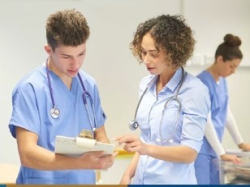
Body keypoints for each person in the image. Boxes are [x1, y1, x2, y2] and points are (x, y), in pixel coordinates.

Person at [8, 9, 116, 184]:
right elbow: (27, 153)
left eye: (81, 54)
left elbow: (101, 134)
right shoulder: (30, 88)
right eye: (66, 56)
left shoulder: (88, 85)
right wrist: (80, 163)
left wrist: (104, 153)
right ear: (48, 50)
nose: (76, 63)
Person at [116, 14, 210, 184]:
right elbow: (145, 140)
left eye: (153, 54)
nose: (146, 60)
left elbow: (190, 153)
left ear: (174, 51)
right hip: (141, 181)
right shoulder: (145, 85)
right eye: (143, 53)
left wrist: (146, 148)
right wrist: (128, 174)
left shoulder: (194, 91)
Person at [195, 33, 250, 184]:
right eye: (231, 66)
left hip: (214, 149)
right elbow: (205, 121)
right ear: (220, 59)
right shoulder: (201, 83)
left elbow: (226, 113)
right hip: (201, 151)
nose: (233, 71)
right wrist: (222, 152)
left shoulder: (222, 81)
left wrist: (240, 143)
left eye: (236, 67)